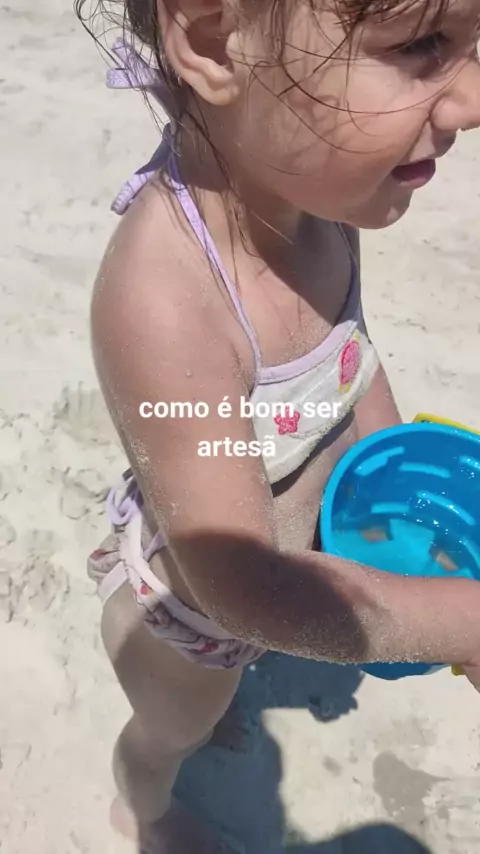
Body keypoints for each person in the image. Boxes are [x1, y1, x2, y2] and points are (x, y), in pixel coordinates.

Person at [77, 0, 480, 849]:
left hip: (274, 596)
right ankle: (143, 814)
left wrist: (390, 471)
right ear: (215, 40)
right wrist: (464, 620)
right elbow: (245, 590)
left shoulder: (313, 207)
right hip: (190, 624)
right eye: (421, 46)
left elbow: (350, 358)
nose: (472, 100)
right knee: (169, 735)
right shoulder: (168, 302)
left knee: (221, 696)